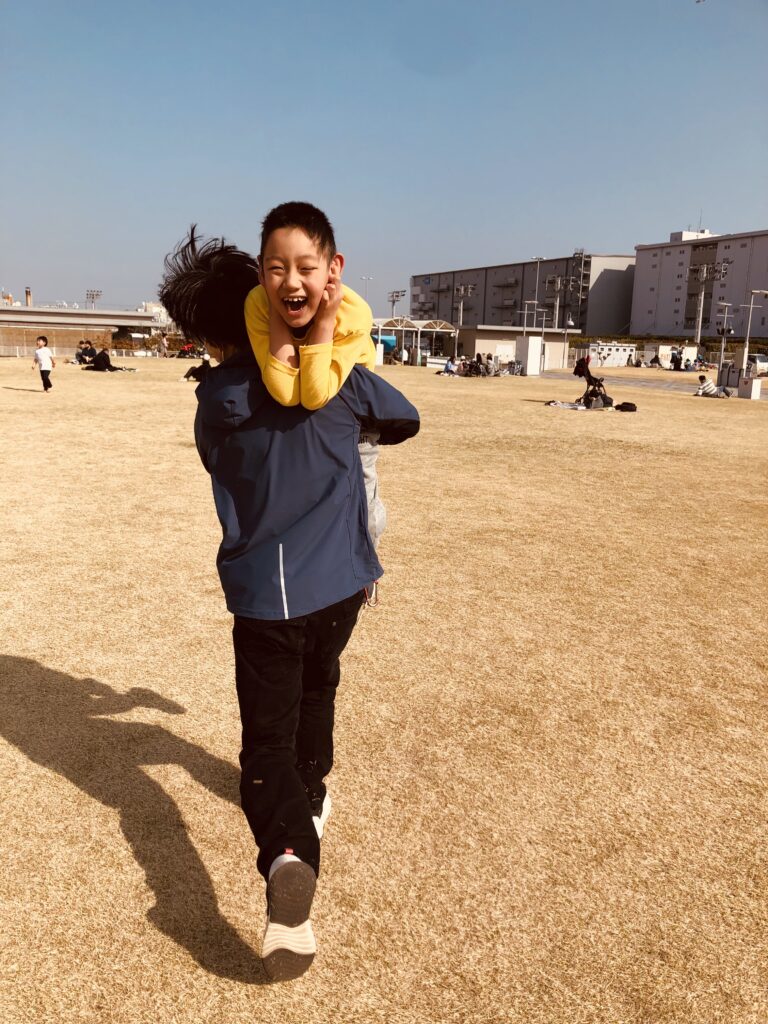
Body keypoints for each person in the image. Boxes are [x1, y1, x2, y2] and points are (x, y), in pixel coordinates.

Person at [158, 227, 419, 982]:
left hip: (267, 595)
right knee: (320, 681)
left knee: (265, 739)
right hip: (345, 582)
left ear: (208, 335)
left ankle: (288, 853)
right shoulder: (342, 381)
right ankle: (316, 787)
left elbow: (220, 457)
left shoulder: (218, 402)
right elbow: (404, 418)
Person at [244, 202, 386, 546]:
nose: (291, 282)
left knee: (362, 514)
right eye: (276, 269)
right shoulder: (258, 303)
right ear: (260, 271)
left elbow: (315, 394)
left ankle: (365, 564)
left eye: (306, 268)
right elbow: (286, 392)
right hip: (301, 417)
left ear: (333, 268)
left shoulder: (353, 313)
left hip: (353, 425)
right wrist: (276, 311)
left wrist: (324, 321)